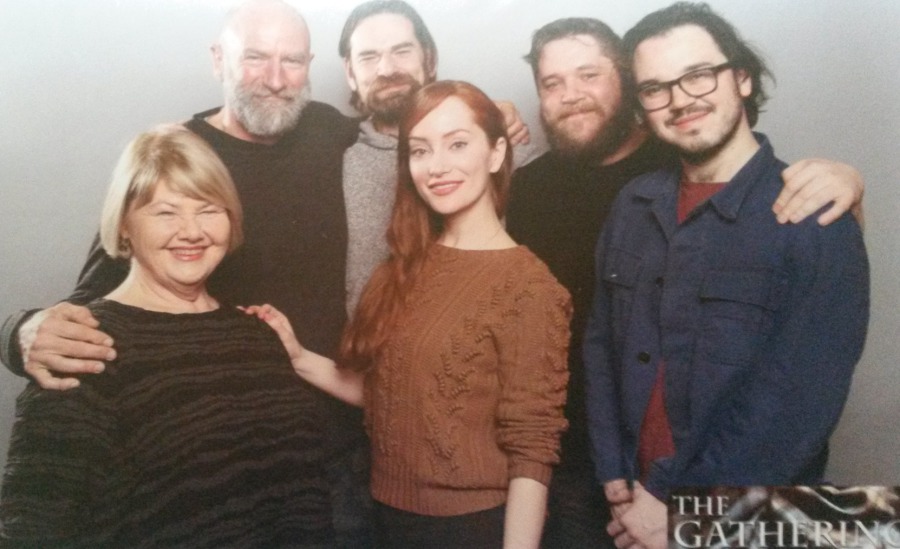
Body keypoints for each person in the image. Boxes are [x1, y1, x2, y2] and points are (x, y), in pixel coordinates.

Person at [0, 1, 371, 545]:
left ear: (310, 65)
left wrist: (485, 121)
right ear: (218, 59)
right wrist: (18, 333)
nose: (275, 79)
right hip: (203, 459)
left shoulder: (326, 128)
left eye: (292, 61)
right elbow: (94, 298)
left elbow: (416, 129)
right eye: (255, 58)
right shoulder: (181, 155)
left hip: (329, 451)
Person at [505, 16, 866, 549]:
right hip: (621, 500)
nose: (680, 100)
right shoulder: (634, 204)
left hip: (743, 517)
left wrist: (683, 507)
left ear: (742, 77)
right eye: (657, 87)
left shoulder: (812, 213)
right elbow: (602, 343)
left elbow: (796, 402)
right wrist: (614, 471)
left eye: (698, 75)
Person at [249, 80, 572, 548]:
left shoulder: (530, 286)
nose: (436, 166)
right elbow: (394, 397)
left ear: (497, 153)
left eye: (457, 144)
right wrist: (298, 356)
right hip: (386, 517)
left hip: (472, 528)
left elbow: (533, 447)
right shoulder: (406, 265)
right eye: (420, 151)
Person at [0, 126, 338, 547]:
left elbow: (303, 494)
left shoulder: (257, 334)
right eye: (166, 212)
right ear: (124, 225)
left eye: (208, 210)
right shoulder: (83, 347)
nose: (192, 231)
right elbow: (34, 530)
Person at [339, 0, 531, 315]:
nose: (387, 69)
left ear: (430, 59)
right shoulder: (335, 151)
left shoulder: (497, 147)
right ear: (350, 72)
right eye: (369, 57)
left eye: (402, 51)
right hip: (365, 342)